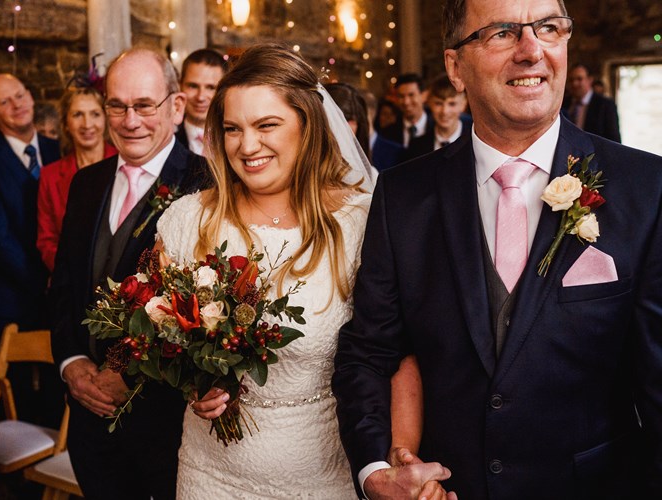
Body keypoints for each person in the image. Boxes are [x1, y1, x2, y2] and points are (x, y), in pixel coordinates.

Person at [333, 0, 662, 498]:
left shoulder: (645, 188)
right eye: (502, 32)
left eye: (548, 28)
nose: (531, 51)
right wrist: (375, 470)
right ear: (455, 67)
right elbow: (369, 352)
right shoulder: (403, 196)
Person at [158, 43, 437, 500]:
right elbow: (162, 336)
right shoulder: (189, 221)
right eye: (232, 129)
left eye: (266, 125)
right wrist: (193, 382)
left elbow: (399, 356)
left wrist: (397, 459)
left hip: (326, 475)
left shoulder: (362, 221)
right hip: (210, 477)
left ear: (308, 124)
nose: (247, 146)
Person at [50, 48, 206, 499]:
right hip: (88, 420)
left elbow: (203, 309)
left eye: (144, 105)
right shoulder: (87, 183)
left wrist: (127, 372)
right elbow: (64, 289)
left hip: (165, 426)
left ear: (176, 107)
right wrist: (71, 365)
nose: (130, 120)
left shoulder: (206, 185)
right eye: (117, 106)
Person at [0, 73, 63, 428]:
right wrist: (45, 277)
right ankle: (21, 463)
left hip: (57, 289)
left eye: (19, 95)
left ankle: (58, 451)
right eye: (4, 102)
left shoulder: (58, 150)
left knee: (59, 382)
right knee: (15, 392)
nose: (16, 105)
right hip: (11, 293)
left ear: (31, 97)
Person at [37, 84, 118, 272]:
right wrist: (73, 274)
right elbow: (47, 241)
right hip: (70, 278)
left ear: (106, 118)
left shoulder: (126, 165)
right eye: (77, 115)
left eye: (95, 114)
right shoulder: (49, 175)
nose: (87, 124)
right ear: (65, 123)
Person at [175, 48, 228, 156]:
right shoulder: (167, 139)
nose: (200, 97)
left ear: (224, 91)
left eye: (211, 87)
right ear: (180, 86)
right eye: (193, 86)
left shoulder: (235, 137)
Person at [406, 74, 471, 160]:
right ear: (429, 103)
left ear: (464, 104)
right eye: (438, 103)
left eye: (452, 104)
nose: (445, 111)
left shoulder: (475, 142)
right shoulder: (416, 147)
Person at [563, 62, 621, 142]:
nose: (574, 84)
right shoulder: (563, 103)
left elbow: (614, 140)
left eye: (579, 79)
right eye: (571, 80)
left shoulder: (605, 105)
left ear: (590, 80)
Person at [379, 74, 434, 148]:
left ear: (424, 96)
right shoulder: (387, 134)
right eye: (401, 96)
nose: (406, 102)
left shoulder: (438, 127)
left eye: (411, 95)